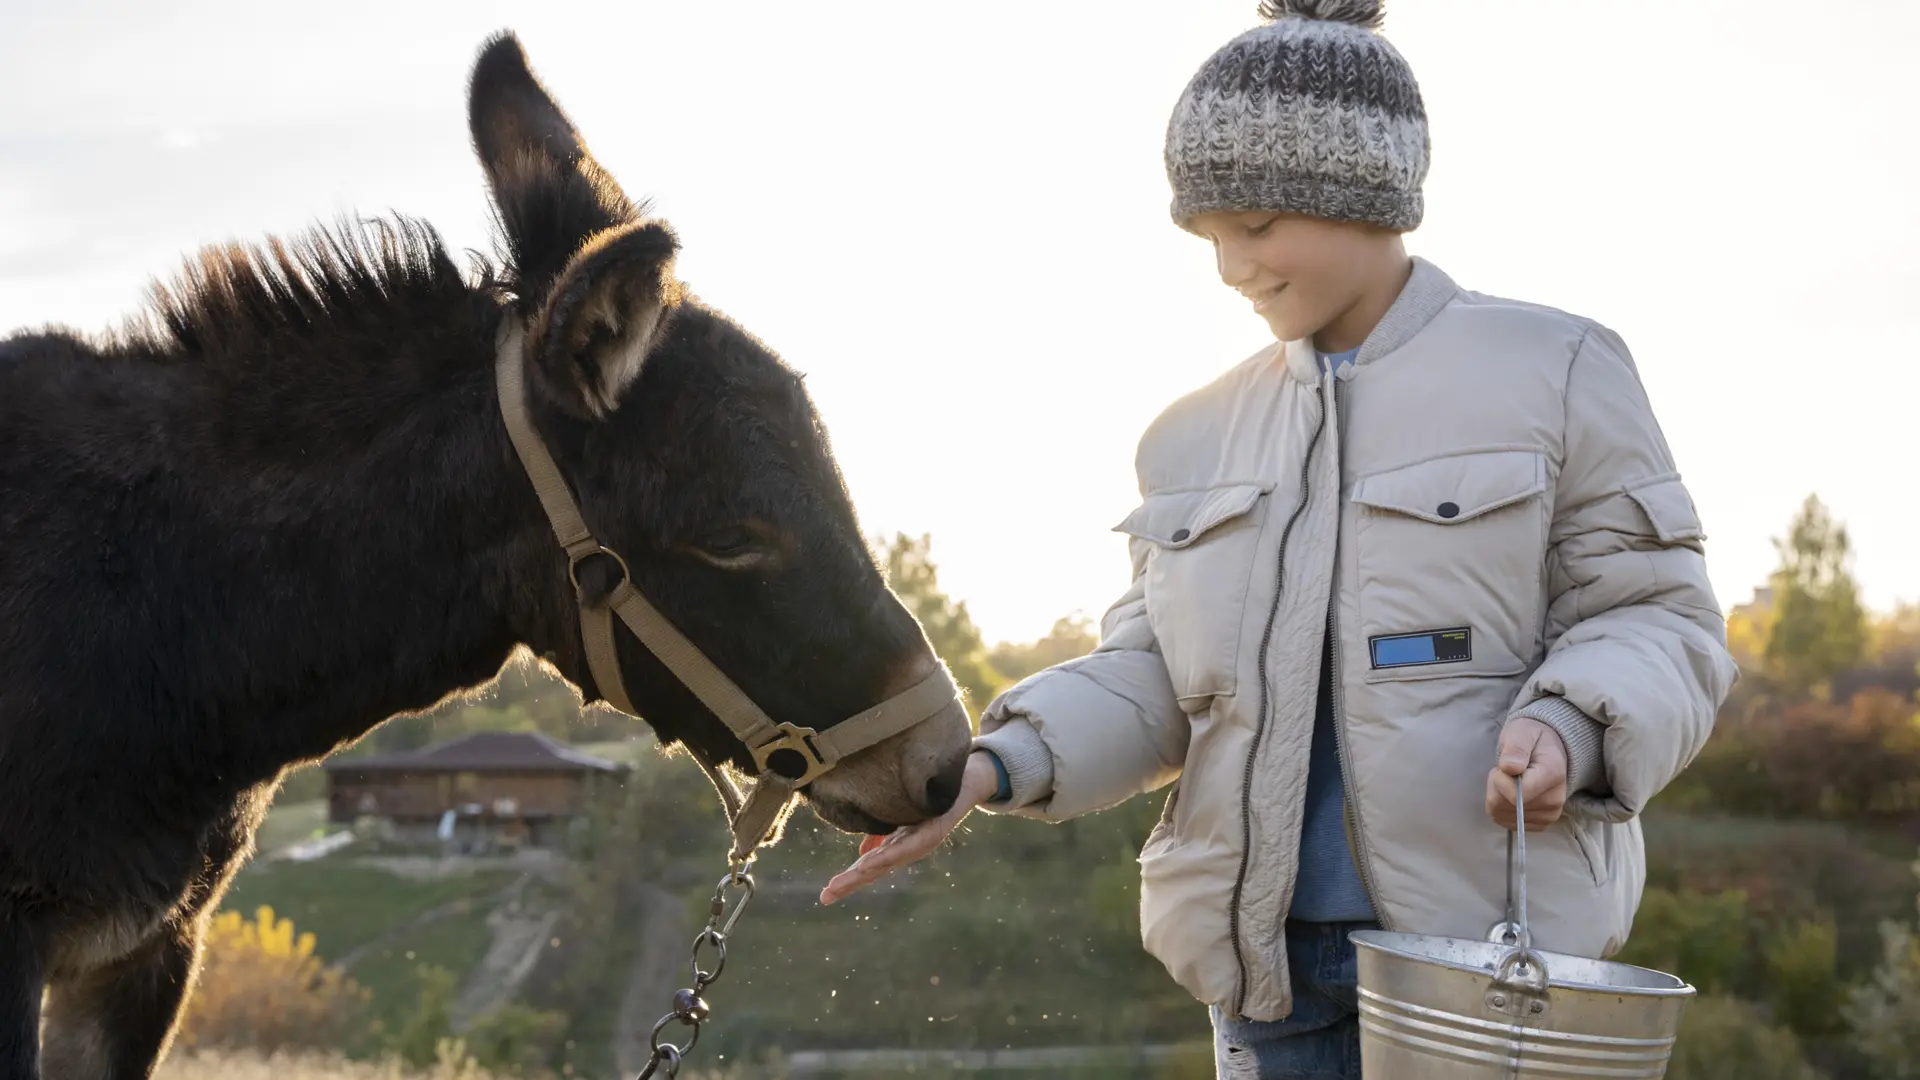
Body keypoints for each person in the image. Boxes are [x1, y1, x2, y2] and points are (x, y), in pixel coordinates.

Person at [820, 1, 1738, 1075]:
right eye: (1208, 235)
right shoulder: (1188, 436)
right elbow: (1152, 678)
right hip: (1268, 985)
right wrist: (993, 766)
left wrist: (1572, 726)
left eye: (1254, 227)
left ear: (1361, 194)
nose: (1229, 267)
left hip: (1487, 970)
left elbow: (1658, 620)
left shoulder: (1561, 369)